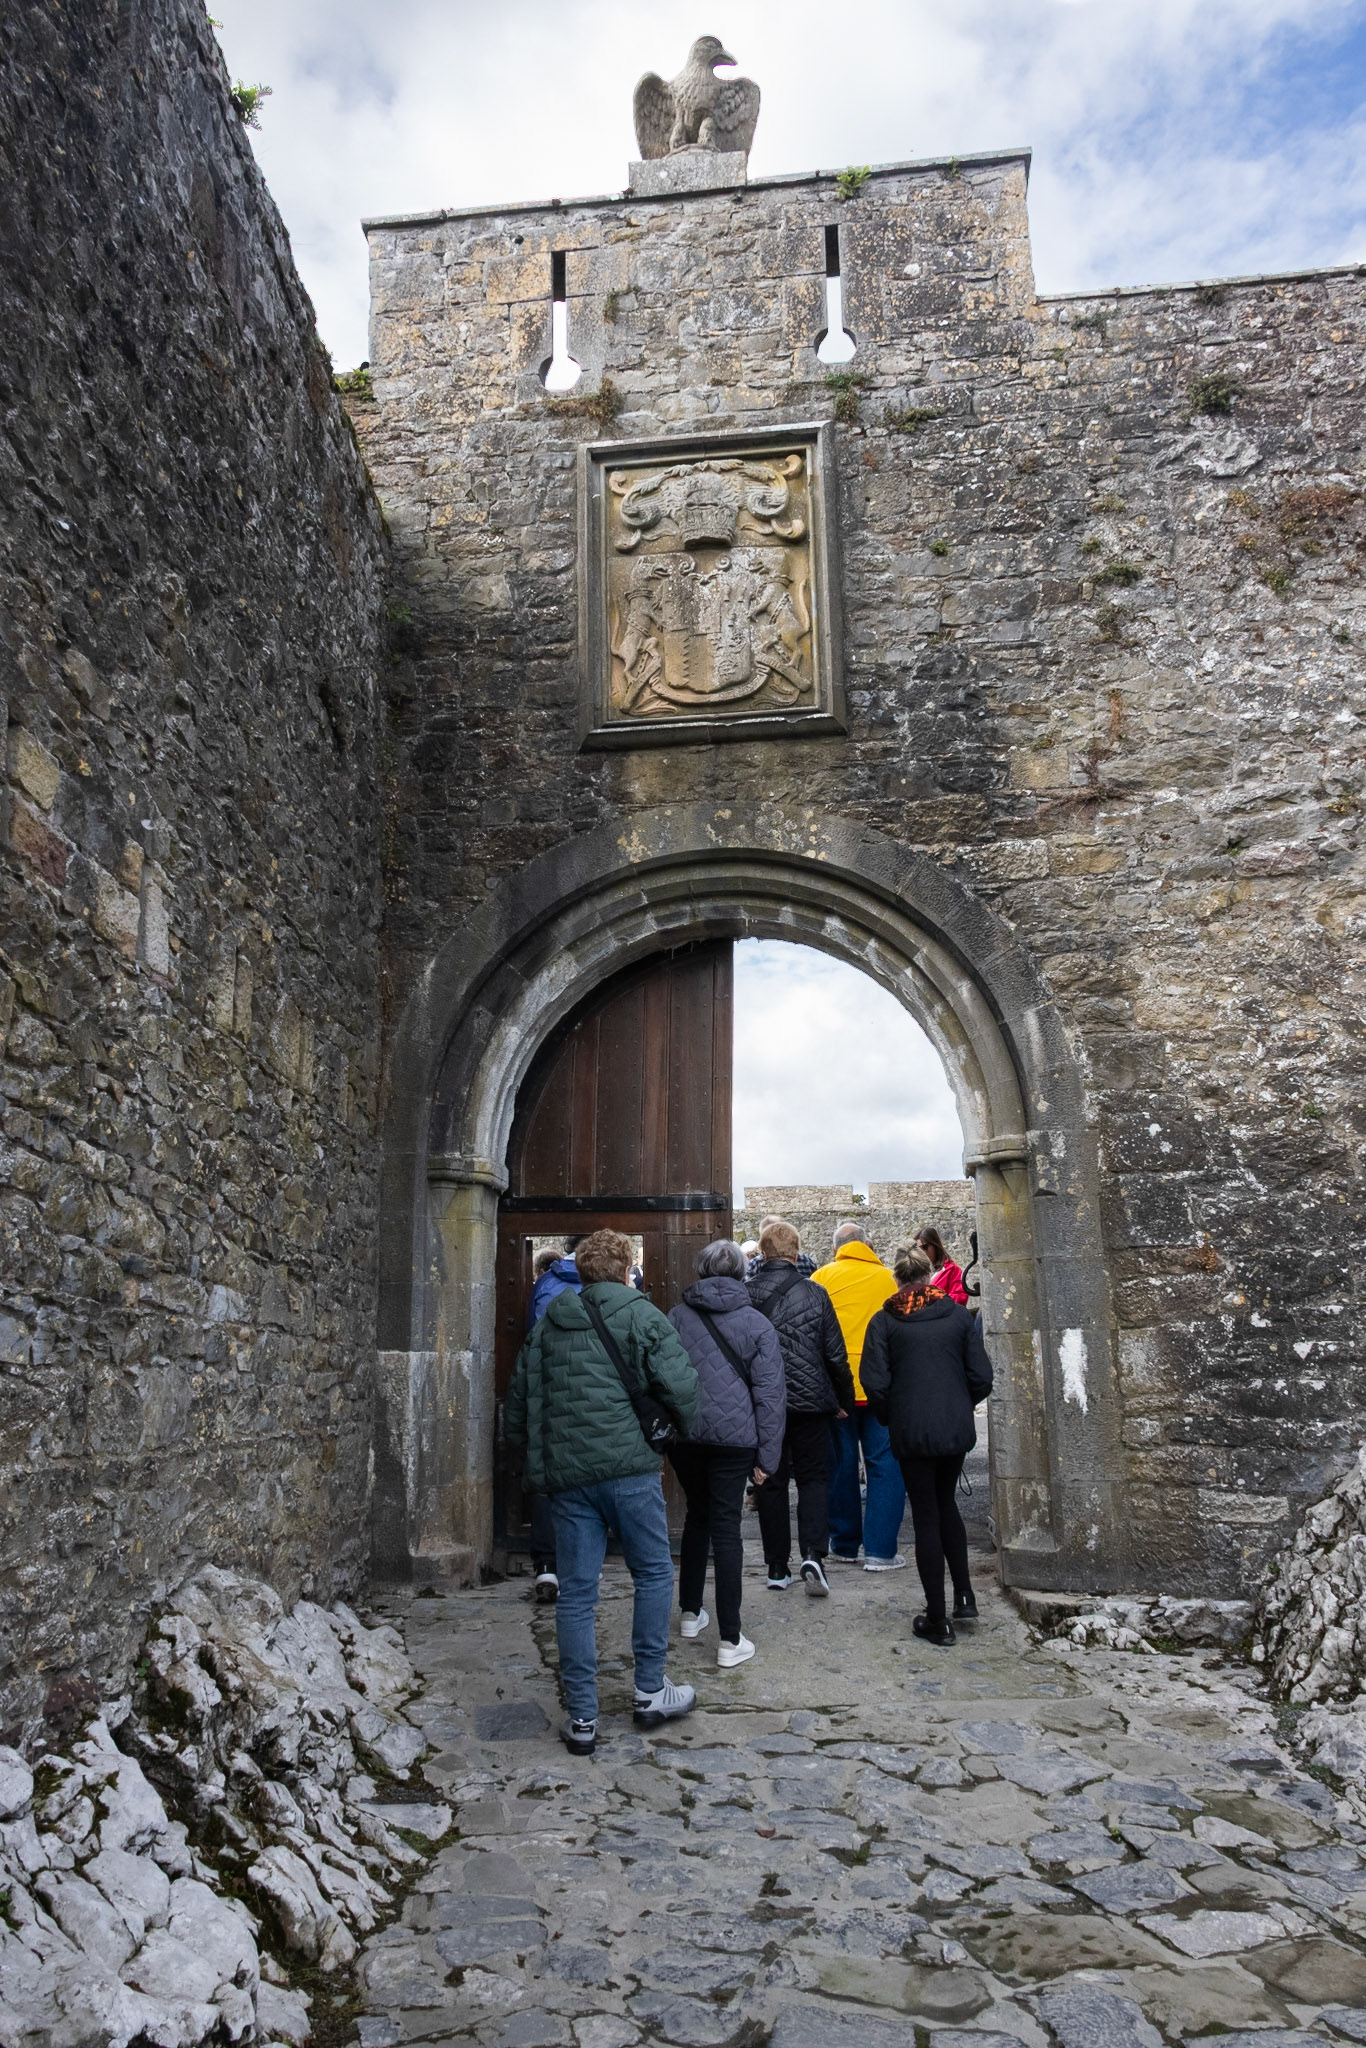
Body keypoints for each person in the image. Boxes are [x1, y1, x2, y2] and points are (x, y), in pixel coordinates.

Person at [505, 1227, 700, 1756]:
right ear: (624, 1268)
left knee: (577, 1593)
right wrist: (678, 1429)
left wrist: (524, 1452)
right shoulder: (640, 1314)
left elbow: (520, 1401)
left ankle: (584, 1718)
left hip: (569, 1477)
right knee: (654, 1572)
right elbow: (681, 1385)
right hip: (630, 1468)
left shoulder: (548, 1326)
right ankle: (650, 1689)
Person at [860, 1243, 993, 1646]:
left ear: (897, 1279)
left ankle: (937, 1617)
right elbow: (981, 1376)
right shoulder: (956, 1316)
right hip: (953, 1429)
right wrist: (957, 1406)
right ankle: (964, 1595)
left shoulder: (885, 1321)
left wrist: (892, 1415)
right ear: (927, 1277)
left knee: (925, 1515)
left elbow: (875, 1382)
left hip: (911, 1429)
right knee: (946, 1504)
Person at [667, 1241, 786, 1668]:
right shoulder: (756, 1324)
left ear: (701, 1270)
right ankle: (730, 1638)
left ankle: (690, 1612)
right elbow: (770, 1397)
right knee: (726, 1528)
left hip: (687, 1438)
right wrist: (767, 1460)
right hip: (735, 1441)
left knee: (699, 1516)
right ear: (741, 1272)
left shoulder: (677, 1317)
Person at [748, 1218, 855, 1597]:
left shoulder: (747, 1293)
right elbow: (835, 1354)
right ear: (796, 1252)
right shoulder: (815, 1293)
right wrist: (842, 1400)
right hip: (810, 1403)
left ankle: (778, 1566)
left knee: (771, 1482)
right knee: (813, 1479)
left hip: (766, 1402)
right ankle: (813, 1554)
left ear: (762, 1253)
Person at [810, 1223, 906, 1572]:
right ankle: (881, 1551)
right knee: (885, 1466)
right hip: (881, 1387)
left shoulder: (821, 1277)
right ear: (868, 1243)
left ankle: (845, 1544)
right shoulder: (887, 1279)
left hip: (839, 1389)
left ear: (836, 1247)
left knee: (841, 1467)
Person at [525, 1238, 584, 1604]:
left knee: (548, 1478)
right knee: (588, 1476)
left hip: (549, 1391)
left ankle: (548, 1563)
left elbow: (532, 1341)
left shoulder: (544, 1284)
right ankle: (582, 1561)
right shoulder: (607, 1287)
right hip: (596, 1396)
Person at [914, 1226, 969, 1307]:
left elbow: (961, 1298)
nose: (922, 1252)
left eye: (925, 1247)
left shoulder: (952, 1270)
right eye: (918, 1249)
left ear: (935, 1246)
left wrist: (934, 1298)